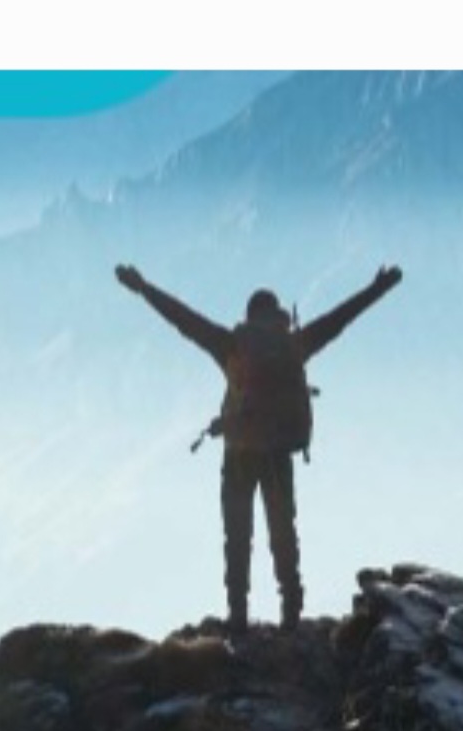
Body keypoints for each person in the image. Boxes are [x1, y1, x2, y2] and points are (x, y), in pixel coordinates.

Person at [115, 262, 403, 634]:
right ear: (278, 315)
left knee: (237, 537)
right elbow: (340, 318)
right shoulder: (294, 345)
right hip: (278, 452)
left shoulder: (231, 345)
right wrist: (378, 288)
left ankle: (238, 616)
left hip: (239, 452)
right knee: (283, 535)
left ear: (249, 316)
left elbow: (184, 319)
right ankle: (291, 614)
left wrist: (144, 288)